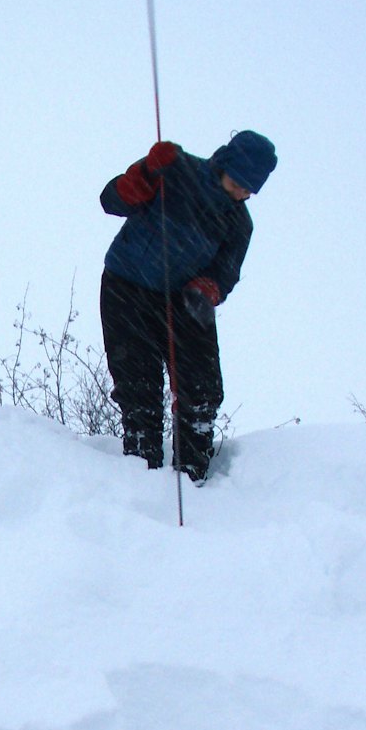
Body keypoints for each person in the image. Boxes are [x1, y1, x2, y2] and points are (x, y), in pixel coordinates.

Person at [99, 130, 277, 482]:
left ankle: (192, 476)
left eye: (250, 189)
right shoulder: (173, 168)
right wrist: (147, 173)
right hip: (127, 286)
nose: (243, 192)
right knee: (139, 388)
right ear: (226, 162)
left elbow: (226, 271)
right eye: (239, 181)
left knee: (203, 388)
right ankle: (140, 473)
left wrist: (206, 289)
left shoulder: (239, 223)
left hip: (184, 301)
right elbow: (112, 200)